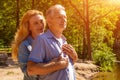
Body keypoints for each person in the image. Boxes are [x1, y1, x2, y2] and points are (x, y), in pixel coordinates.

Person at [27, 4, 78, 80]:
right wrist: (57, 65)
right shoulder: (42, 39)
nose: (63, 19)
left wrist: (74, 58)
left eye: (65, 17)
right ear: (49, 21)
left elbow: (66, 66)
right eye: (59, 17)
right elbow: (31, 69)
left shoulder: (64, 41)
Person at [12, 10, 46, 80]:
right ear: (29, 27)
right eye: (36, 23)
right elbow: (27, 72)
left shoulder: (50, 40)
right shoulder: (24, 45)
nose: (40, 25)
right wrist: (47, 69)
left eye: (41, 21)